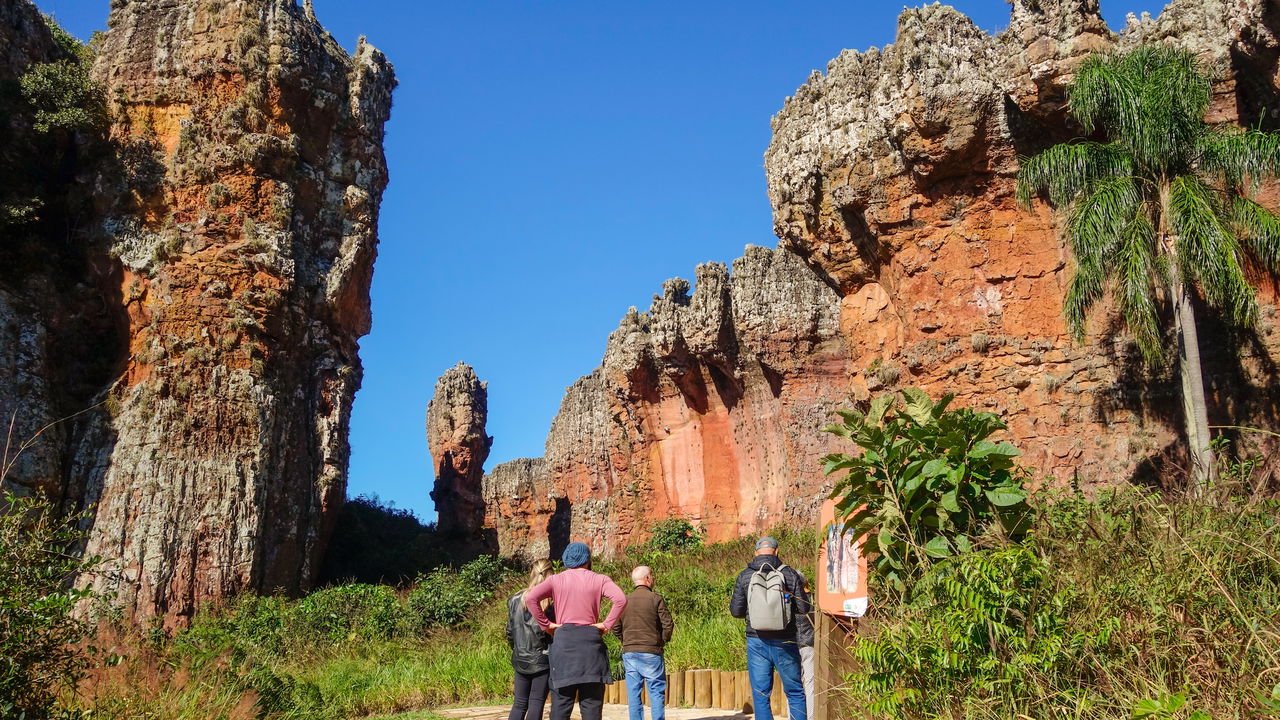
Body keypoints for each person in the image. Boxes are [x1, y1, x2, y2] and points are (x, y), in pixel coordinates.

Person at [525, 542, 628, 720]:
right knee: (592, 709)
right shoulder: (600, 579)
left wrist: (547, 625)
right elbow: (620, 599)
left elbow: (531, 598)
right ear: (587, 560)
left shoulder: (556, 580)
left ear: (566, 560)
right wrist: (606, 625)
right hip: (591, 645)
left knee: (560, 706)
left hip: (564, 644)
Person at [729, 536, 811, 720]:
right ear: (777, 551)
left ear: (755, 553)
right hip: (785, 640)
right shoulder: (789, 574)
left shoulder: (745, 576)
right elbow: (804, 608)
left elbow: (736, 611)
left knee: (761, 694)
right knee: (795, 692)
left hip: (756, 640)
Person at [613, 566, 674, 720]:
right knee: (656, 691)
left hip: (630, 652)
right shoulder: (655, 598)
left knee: (633, 693)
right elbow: (668, 624)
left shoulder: (624, 601)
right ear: (647, 578)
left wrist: (625, 641)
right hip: (651, 651)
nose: (653, 578)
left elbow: (615, 626)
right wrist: (662, 641)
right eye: (652, 576)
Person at [507, 559, 555, 720]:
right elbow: (552, 633)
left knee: (519, 704)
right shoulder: (551, 602)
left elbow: (510, 632)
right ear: (551, 574)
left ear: (532, 573)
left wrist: (517, 649)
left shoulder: (515, 599)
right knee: (536, 703)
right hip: (542, 659)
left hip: (520, 657)